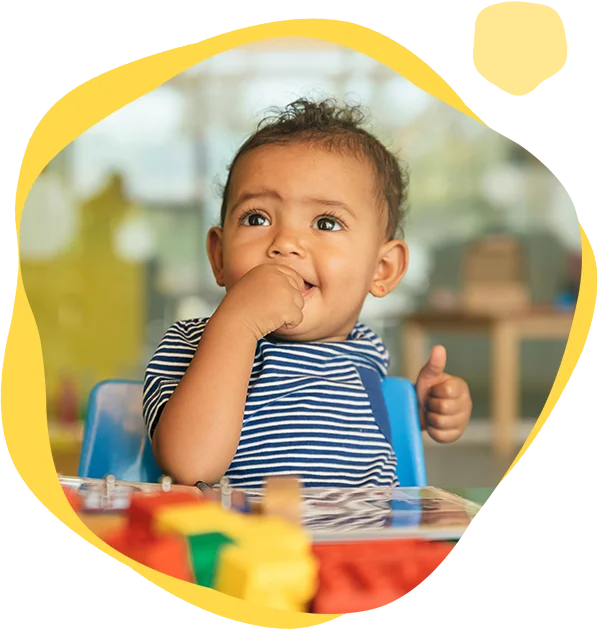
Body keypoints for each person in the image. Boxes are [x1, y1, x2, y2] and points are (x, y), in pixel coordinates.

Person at [143, 98, 472, 488]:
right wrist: (237, 324)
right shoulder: (191, 344)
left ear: (381, 270)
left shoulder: (366, 351)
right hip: (242, 543)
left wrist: (418, 410)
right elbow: (190, 467)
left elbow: (358, 438)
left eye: (326, 223)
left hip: (359, 542)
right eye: (257, 218)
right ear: (218, 255)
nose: (286, 242)